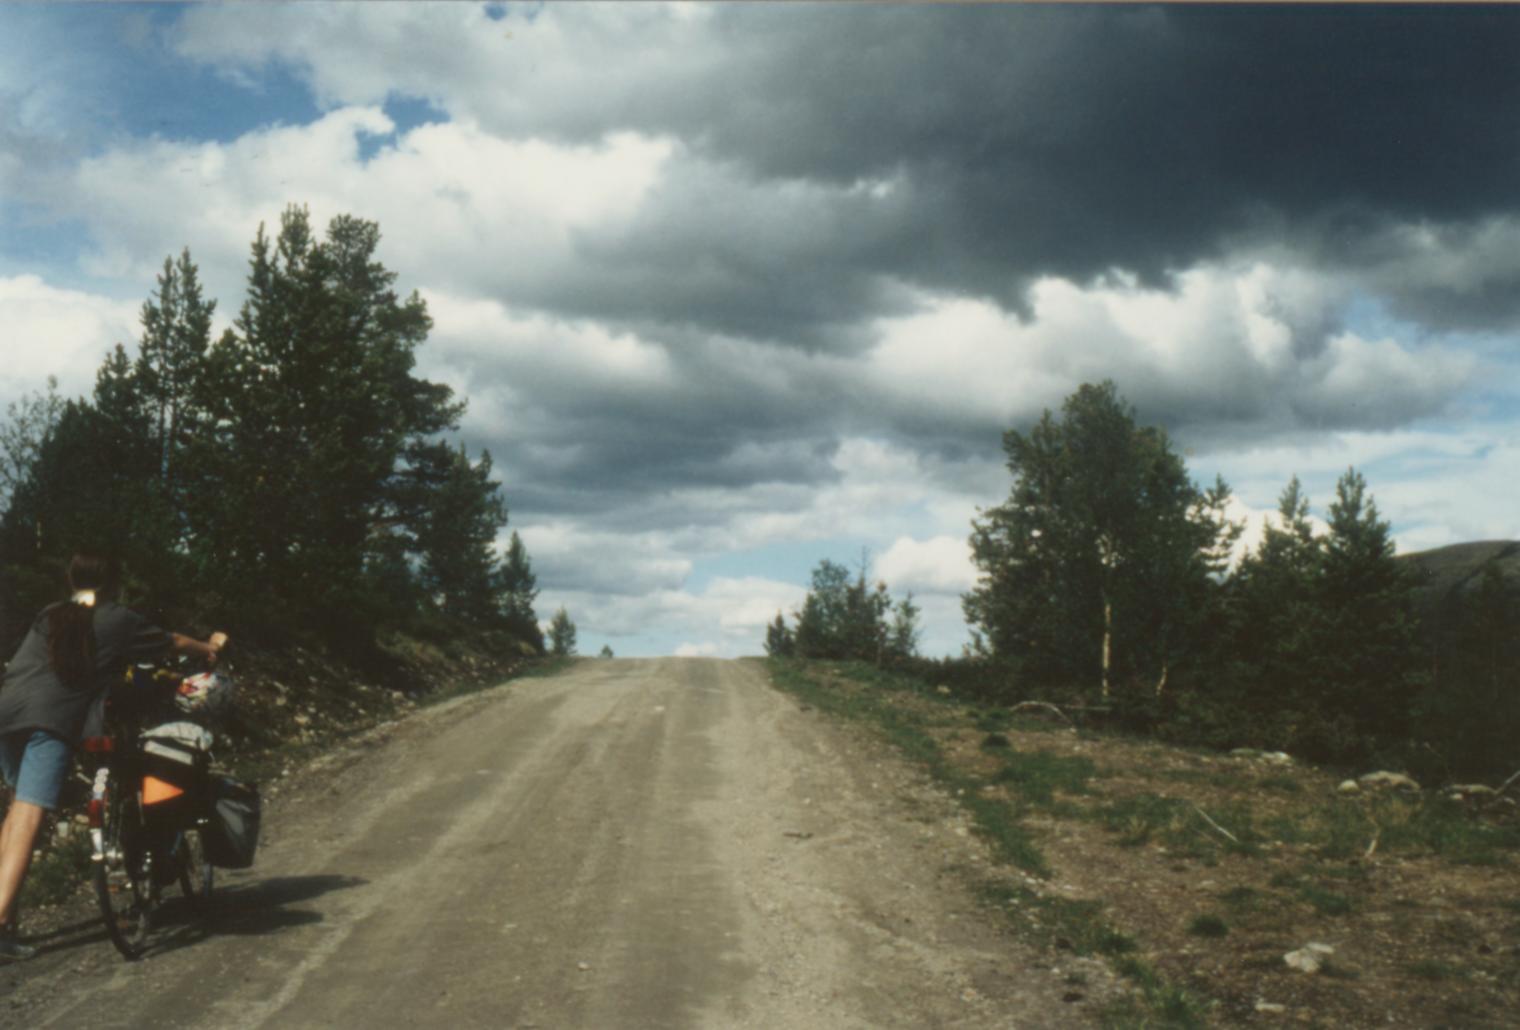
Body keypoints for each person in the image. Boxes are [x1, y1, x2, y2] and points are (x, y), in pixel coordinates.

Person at [0, 552, 227, 962]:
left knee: (17, 814)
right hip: (48, 721)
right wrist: (207, 646)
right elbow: (171, 642)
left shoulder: (52, 612)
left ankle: (5, 923)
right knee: (30, 817)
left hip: (7, 712)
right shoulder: (116, 618)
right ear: (113, 584)